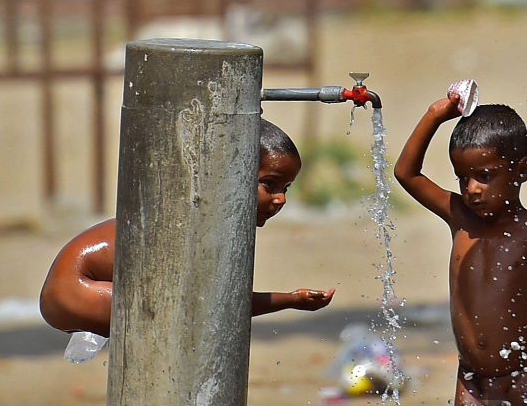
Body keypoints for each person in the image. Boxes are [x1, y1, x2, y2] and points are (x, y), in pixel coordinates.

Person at [39, 120, 335, 337]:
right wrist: (291, 300)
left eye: (287, 187)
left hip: (78, 292)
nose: (281, 198)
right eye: (269, 184)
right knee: (196, 316)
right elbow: (221, 303)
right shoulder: (193, 222)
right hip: (78, 292)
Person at [394, 96, 527, 406]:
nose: (472, 189)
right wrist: (435, 114)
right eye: (463, 178)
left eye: (485, 176)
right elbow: (406, 173)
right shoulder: (460, 217)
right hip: (472, 379)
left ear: (522, 170)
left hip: (521, 378)